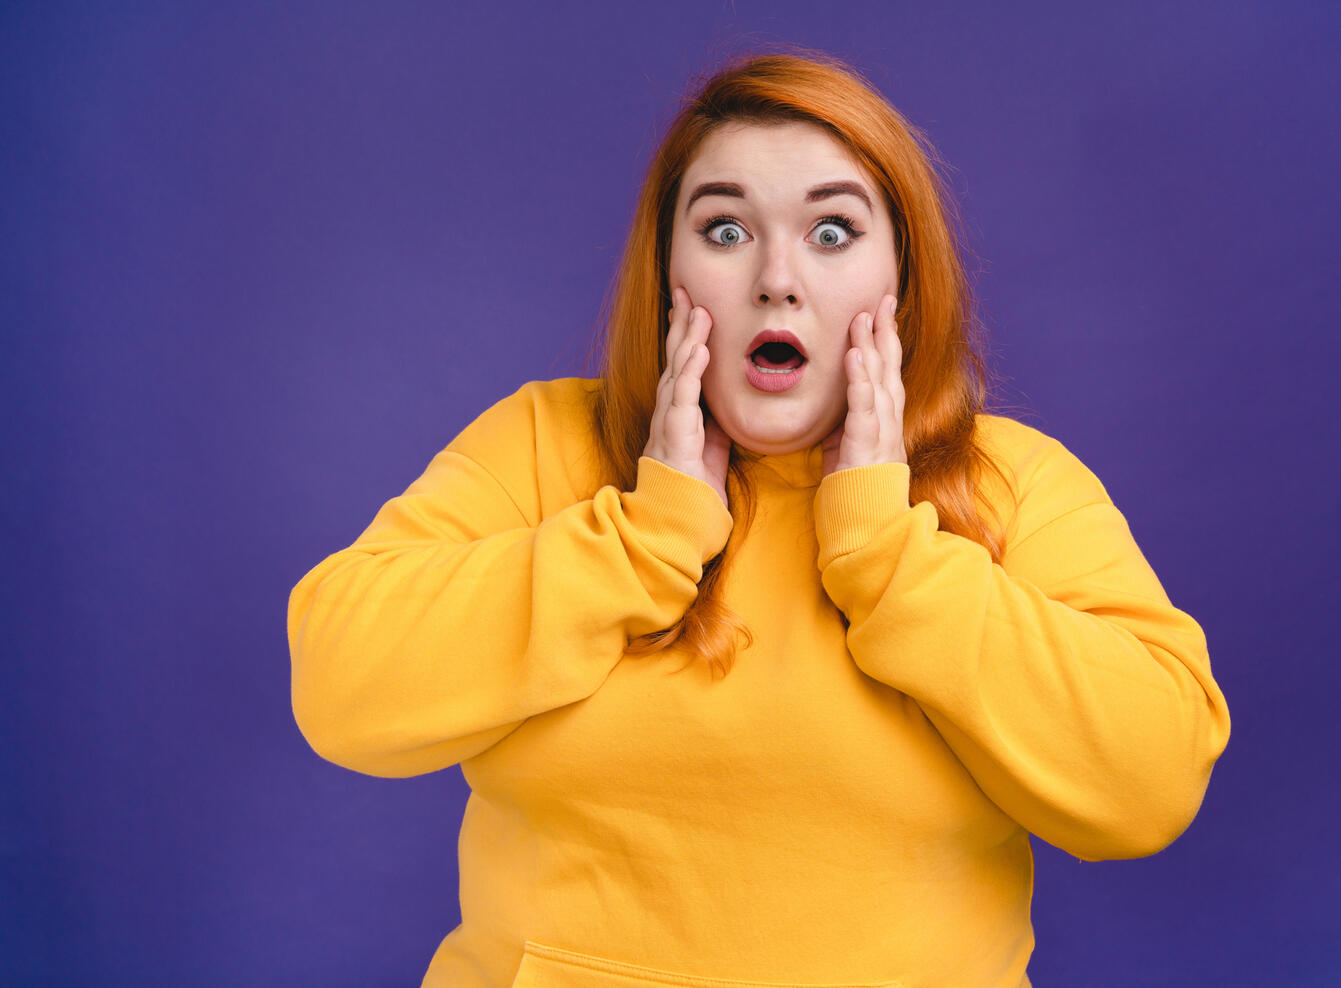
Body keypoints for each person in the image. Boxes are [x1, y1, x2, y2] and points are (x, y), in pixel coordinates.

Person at [289, 49, 1231, 988]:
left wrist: (894, 560)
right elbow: (341, 689)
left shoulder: (1010, 484)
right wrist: (646, 538)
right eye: (728, 229)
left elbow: (1150, 785)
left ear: (900, 277)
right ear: (667, 271)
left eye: (831, 232)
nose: (777, 280)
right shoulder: (543, 445)